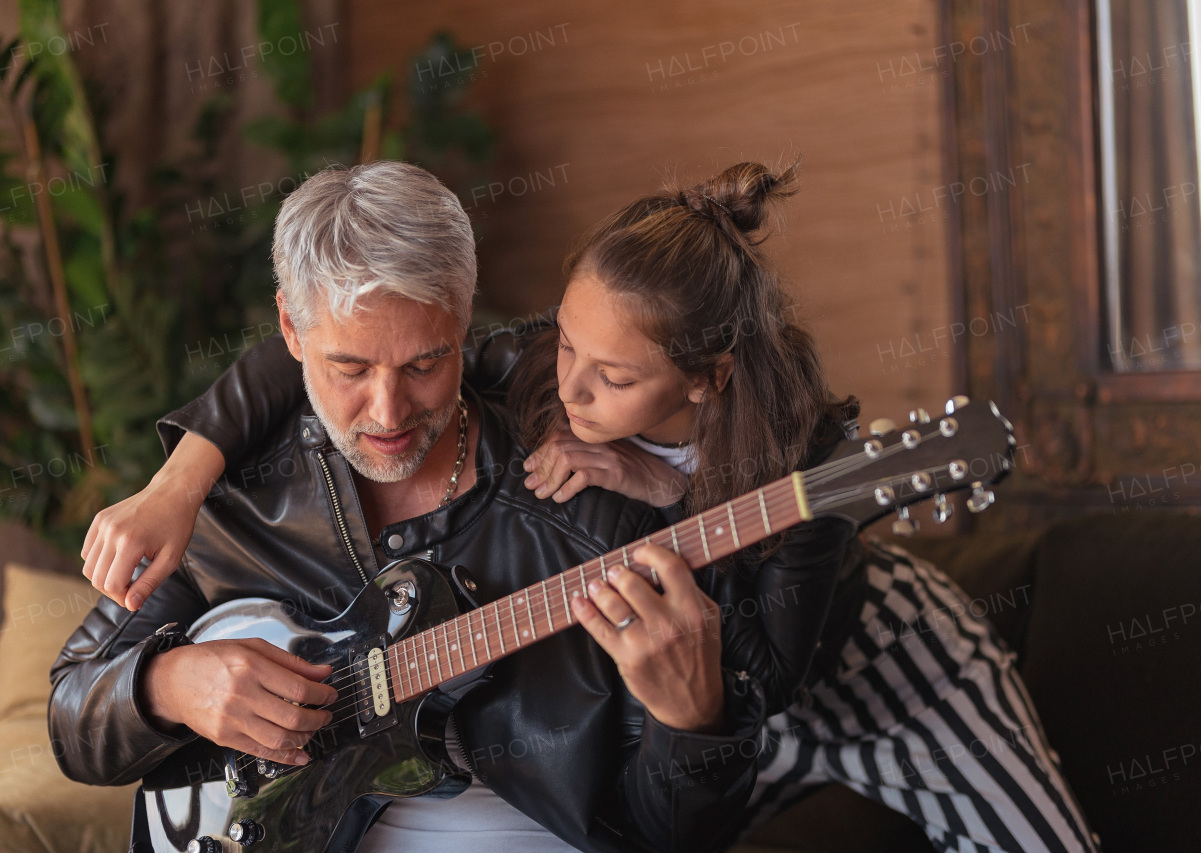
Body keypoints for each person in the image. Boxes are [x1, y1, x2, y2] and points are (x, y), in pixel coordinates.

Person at [81, 160, 1099, 853]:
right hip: (703, 676)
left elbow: (758, 680)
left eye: (607, 377)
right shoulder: (520, 377)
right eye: (559, 347)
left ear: (706, 377)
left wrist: (670, 506)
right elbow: (315, 352)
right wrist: (179, 484)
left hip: (838, 648)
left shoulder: (782, 463)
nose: (565, 391)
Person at [51, 161, 768, 853]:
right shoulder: (234, 499)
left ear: (464, 321)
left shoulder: (588, 503)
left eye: (426, 362)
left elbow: (676, 830)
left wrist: (693, 720)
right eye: (350, 368)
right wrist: (169, 683)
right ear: (291, 332)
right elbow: (71, 713)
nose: (388, 410)